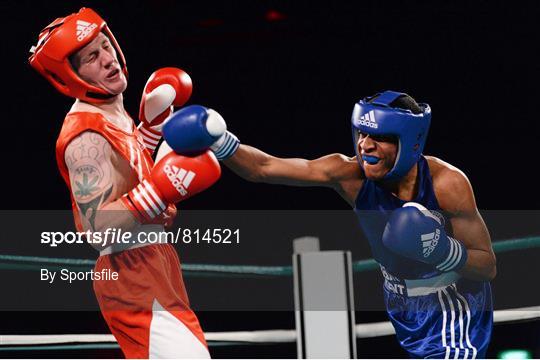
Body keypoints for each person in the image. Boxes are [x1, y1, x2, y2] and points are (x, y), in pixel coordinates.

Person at [165, 91, 496, 358]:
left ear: (409, 142)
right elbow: (265, 168)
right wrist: (220, 140)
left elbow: (487, 266)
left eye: (379, 137)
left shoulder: (447, 185)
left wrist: (441, 250)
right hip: (403, 307)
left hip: (452, 306)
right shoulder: (348, 174)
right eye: (361, 133)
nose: (365, 145)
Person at [29, 8, 222, 358]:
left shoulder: (114, 115)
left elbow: (124, 177)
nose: (108, 60)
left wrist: (148, 135)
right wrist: (160, 190)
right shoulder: (83, 137)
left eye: (106, 46)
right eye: (91, 57)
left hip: (155, 262)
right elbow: (96, 231)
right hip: (130, 271)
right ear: (71, 75)